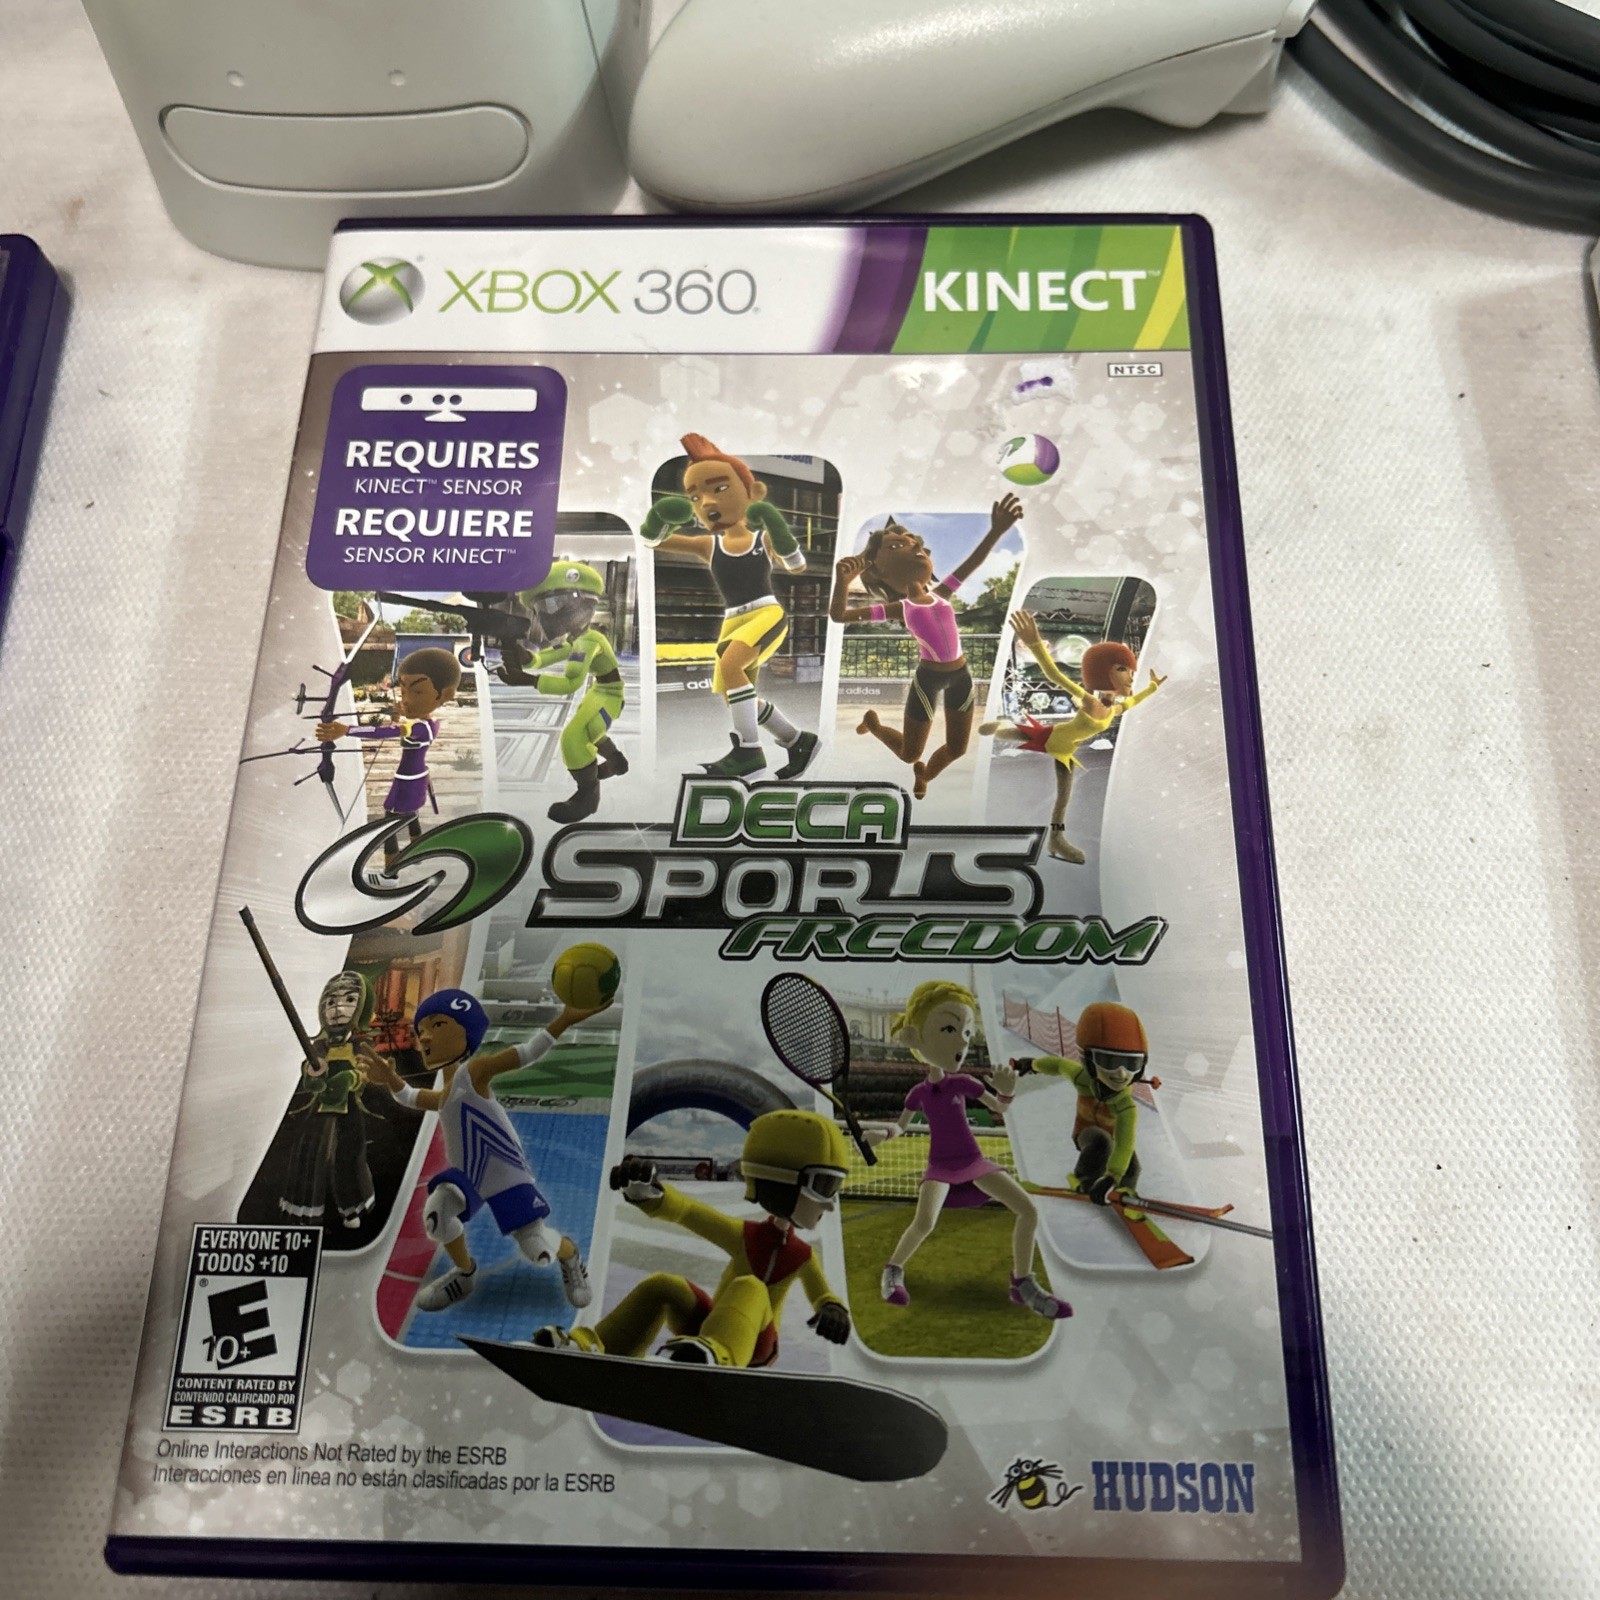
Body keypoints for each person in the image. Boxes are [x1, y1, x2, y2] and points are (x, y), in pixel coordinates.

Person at [533, 1110, 852, 1367]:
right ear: (785, 1181)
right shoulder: (746, 1236)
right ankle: (595, 1346)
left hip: (757, 1344)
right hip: (711, 1327)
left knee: (751, 1286)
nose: (830, 1203)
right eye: (826, 1186)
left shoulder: (802, 1254)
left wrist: (833, 1308)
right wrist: (650, 1194)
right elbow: (690, 1213)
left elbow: (822, 1292)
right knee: (664, 1284)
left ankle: (719, 1356)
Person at [368, 986, 606, 1313]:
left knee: (537, 1248)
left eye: (438, 1025)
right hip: (469, 1175)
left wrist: (564, 1020)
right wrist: (389, 1079)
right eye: (421, 1031)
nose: (425, 1037)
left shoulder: (473, 1073)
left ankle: (571, 1256)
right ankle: (465, 1274)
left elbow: (525, 1053)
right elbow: (410, 1097)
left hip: (504, 1173)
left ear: (467, 1032)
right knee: (438, 1215)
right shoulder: (446, 1095)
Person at [871, 980, 1071, 1320]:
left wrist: (1007, 1092)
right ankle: (893, 1271)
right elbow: (902, 1125)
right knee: (924, 1222)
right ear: (916, 1038)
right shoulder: (918, 1093)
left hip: (973, 1161)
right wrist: (884, 1132)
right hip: (940, 1166)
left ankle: (1022, 1283)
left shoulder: (964, 1083)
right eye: (949, 1029)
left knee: (1027, 1210)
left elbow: (1000, 1108)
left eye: (966, 1032)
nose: (963, 1042)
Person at [641, 434, 818, 779]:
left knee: (732, 664)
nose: (706, 502)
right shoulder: (709, 545)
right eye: (695, 497)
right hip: (732, 621)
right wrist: (658, 518)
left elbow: (797, 566)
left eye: (720, 489)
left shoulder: (762, 538)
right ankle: (797, 740)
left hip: (766, 613)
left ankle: (748, 751)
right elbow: (653, 542)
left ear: (753, 494)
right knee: (735, 696)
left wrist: (778, 526)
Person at [830, 495, 1022, 797]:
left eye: (915, 543)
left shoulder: (942, 594)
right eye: (897, 546)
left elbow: (974, 561)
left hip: (961, 676)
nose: (915, 548)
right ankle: (874, 725)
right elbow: (840, 615)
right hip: (928, 679)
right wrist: (842, 583)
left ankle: (926, 775)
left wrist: (997, 530)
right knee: (909, 753)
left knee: (957, 748)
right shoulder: (899, 608)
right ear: (879, 571)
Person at [981, 611, 1165, 863]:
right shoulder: (1090, 702)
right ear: (1103, 672)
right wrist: (1035, 644)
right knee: (1017, 733)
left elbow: (1132, 701)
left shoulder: (1112, 709)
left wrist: (1152, 687)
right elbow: (1055, 675)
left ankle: (1056, 840)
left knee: (1063, 797)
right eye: (1122, 669)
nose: (1130, 676)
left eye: (1131, 670)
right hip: (1053, 737)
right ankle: (1000, 726)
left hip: (1065, 750)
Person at [499, 560, 628, 823]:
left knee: (574, 737)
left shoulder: (589, 641)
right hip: (601, 692)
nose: (545, 615)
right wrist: (527, 659)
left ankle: (588, 794)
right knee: (589, 730)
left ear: (581, 603)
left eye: (551, 604)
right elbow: (546, 657)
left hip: (609, 696)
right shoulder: (577, 639)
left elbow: (571, 683)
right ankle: (615, 763)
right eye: (541, 608)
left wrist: (528, 680)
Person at [316, 644, 461, 873]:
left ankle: (390, 872)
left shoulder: (417, 728)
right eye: (403, 692)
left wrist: (346, 730)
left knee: (388, 824)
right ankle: (418, 855)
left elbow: (385, 732)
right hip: (418, 778)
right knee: (411, 815)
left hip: (407, 780)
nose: (407, 699)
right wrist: (399, 714)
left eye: (417, 692)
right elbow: (403, 725)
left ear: (445, 695)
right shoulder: (431, 723)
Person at [278, 971, 388, 1230]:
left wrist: (352, 1078)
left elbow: (366, 1071)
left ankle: (352, 1208)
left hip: (349, 1111)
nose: (338, 1009)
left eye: (349, 1000)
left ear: (362, 1007)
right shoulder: (320, 1046)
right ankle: (305, 1211)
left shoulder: (362, 1044)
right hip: (319, 1110)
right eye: (331, 1002)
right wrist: (313, 1076)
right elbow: (310, 1071)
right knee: (309, 1156)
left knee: (348, 1158)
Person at [1013, 1001, 1149, 1204]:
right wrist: (1033, 1064)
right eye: (1109, 1062)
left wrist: (1112, 1177)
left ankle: (1124, 1191)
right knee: (1102, 1142)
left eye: (1132, 1064)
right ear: (1088, 1060)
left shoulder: (1126, 1107)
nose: (1121, 1074)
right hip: (1086, 1133)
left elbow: (1124, 1143)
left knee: (1131, 1164)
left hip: (1112, 1139)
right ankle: (1084, 1179)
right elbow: (1059, 1065)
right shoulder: (1082, 1079)